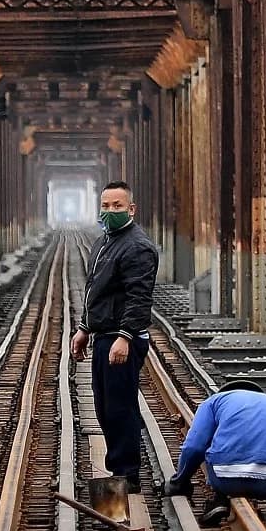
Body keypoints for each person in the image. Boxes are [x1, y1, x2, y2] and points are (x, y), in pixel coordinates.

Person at [70, 181, 159, 487]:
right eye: (106, 206)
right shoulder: (104, 243)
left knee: (120, 405)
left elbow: (139, 297)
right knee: (104, 406)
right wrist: (84, 328)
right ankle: (119, 468)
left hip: (122, 338)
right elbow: (97, 291)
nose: (110, 211)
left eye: (117, 206)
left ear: (131, 209)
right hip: (104, 334)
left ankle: (126, 474)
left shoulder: (137, 246)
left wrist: (125, 336)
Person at [165, 380, 266, 525]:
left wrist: (180, 482)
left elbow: (194, 447)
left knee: (215, 442)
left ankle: (220, 499)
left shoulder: (213, 402)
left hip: (224, 480)